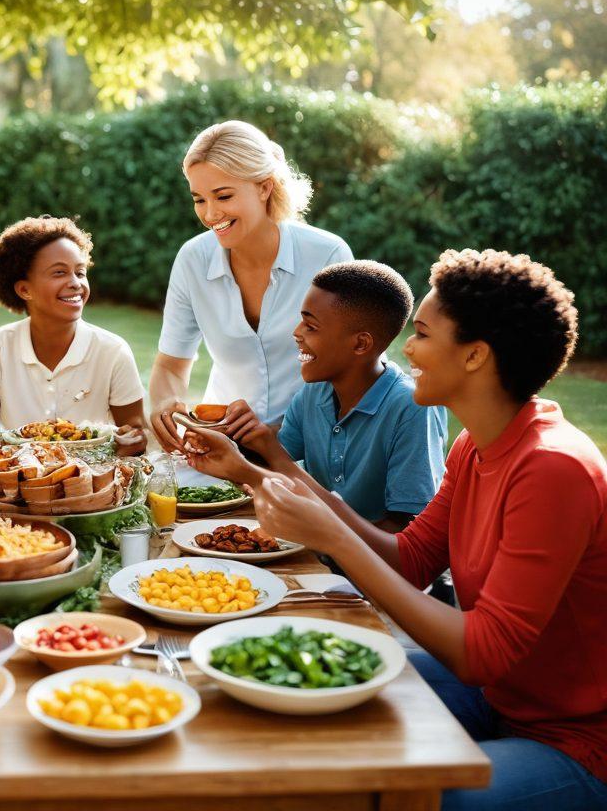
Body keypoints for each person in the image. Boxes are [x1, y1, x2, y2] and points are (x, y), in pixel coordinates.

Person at [245, 250, 607, 810]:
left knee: (411, 797)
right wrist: (311, 507)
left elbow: (480, 654)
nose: (407, 349)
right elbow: (412, 559)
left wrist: (334, 535)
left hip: (577, 738)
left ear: (475, 356)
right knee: (313, 691)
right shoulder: (474, 446)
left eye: (421, 334)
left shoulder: (552, 467)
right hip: (497, 698)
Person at [184, 260, 447, 531]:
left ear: (360, 343)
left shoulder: (412, 407)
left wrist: (326, 543)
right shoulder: (314, 392)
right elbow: (279, 465)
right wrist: (239, 438)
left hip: (372, 567)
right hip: (318, 550)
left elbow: (408, 530)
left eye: (311, 326)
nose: (297, 333)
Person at [150, 120, 352, 451]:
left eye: (223, 195)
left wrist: (277, 430)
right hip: (222, 444)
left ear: (264, 187)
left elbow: (350, 371)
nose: (211, 213)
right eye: (199, 199)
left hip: (311, 447)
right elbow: (171, 365)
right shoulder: (192, 260)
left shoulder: (327, 254)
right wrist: (165, 404)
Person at [0, 216, 146, 455]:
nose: (75, 283)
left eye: (80, 272)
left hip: (93, 481)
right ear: (24, 289)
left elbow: (137, 434)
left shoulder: (112, 351)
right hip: (18, 477)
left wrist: (129, 441)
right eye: (59, 273)